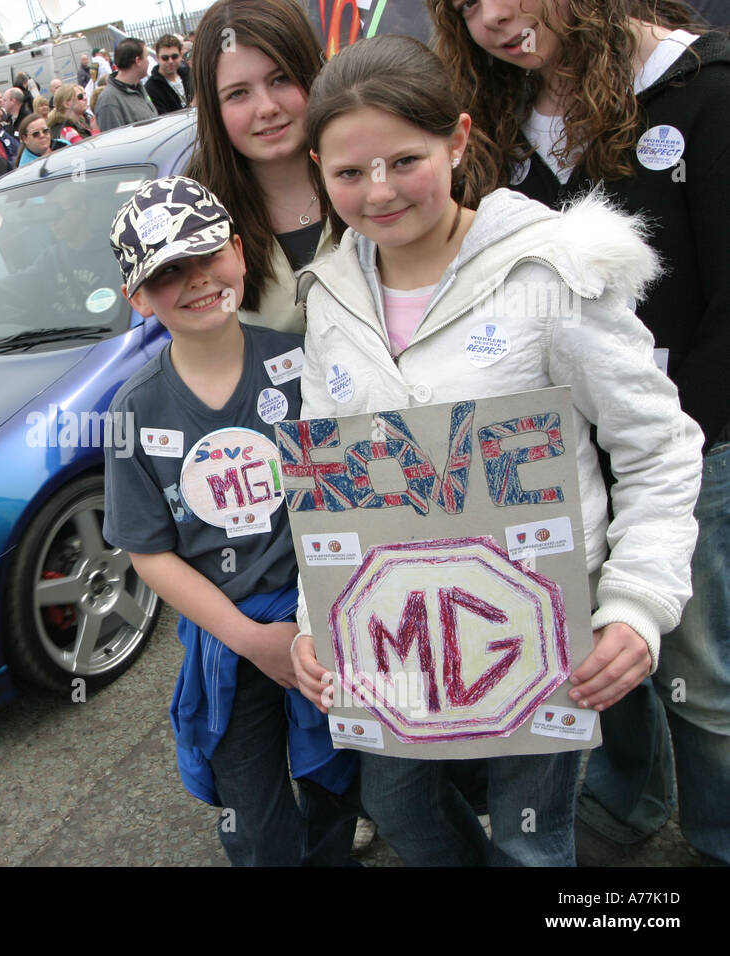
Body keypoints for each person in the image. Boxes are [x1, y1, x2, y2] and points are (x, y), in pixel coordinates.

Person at [290, 34, 703, 866]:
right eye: (348, 173)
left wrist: (635, 605)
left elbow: (657, 446)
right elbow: (326, 482)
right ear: (318, 170)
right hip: (392, 641)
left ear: (459, 138)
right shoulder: (328, 293)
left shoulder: (547, 272)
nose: (379, 191)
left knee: (532, 839)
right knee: (399, 812)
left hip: (539, 636)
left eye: (405, 159)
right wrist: (315, 624)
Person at [430, 0, 730, 866]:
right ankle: (630, 799)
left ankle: (716, 832)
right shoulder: (495, 119)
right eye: (465, 5)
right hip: (563, 462)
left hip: (688, 448)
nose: (495, 17)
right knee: (602, 656)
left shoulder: (702, 89)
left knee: (700, 670)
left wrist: (661, 440)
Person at [104, 176, 358, 866]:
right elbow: (149, 553)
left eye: (206, 255)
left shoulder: (301, 364)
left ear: (240, 252)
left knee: (339, 781)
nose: (196, 281)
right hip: (231, 640)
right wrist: (252, 639)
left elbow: (346, 496)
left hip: (324, 620)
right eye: (167, 274)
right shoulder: (132, 411)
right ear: (138, 298)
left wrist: (308, 625)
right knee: (258, 814)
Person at [185, 0, 329, 333]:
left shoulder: (379, 177)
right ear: (212, 107)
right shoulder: (193, 219)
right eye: (238, 94)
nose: (266, 107)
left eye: (280, 79)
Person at [95, 38, 156, 132]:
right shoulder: (109, 101)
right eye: (147, 57)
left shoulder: (139, 88)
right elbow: (114, 142)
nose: (148, 61)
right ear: (138, 60)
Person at [146, 33, 194, 114]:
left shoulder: (190, 75)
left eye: (174, 56)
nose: (170, 61)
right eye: (165, 58)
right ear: (157, 57)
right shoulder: (151, 87)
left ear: (180, 55)